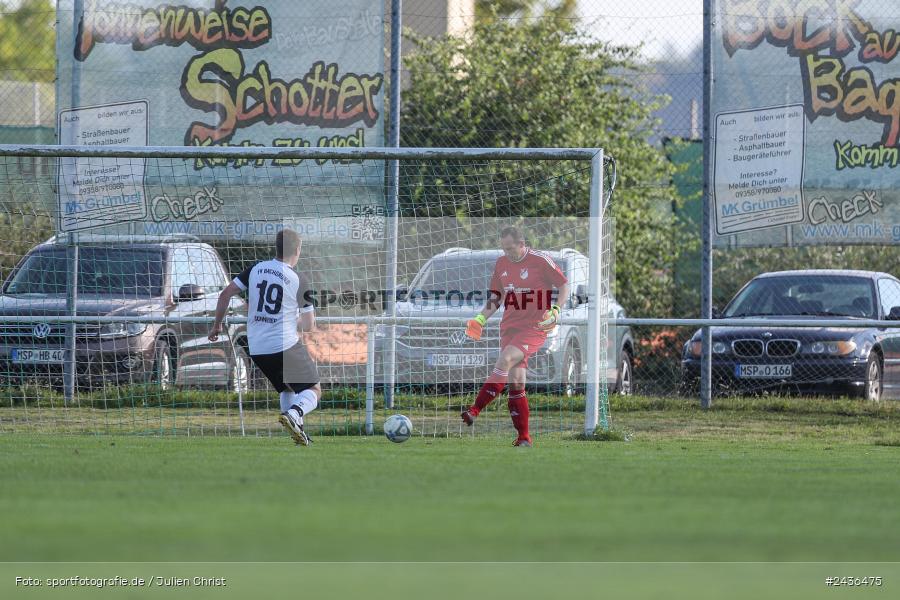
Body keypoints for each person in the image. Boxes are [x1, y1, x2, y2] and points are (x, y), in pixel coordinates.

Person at [208, 229, 319, 446]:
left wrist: (217, 325)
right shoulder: (299, 279)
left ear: (276, 248)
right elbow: (309, 326)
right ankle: (294, 415)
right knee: (313, 389)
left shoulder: (256, 269)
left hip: (257, 348)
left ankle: (298, 434)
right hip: (284, 344)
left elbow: (225, 294)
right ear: (297, 250)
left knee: (287, 387)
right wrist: (289, 319)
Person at [461, 227, 569, 446]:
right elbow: (497, 297)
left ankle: (474, 410)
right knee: (517, 382)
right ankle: (523, 437)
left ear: (522, 244)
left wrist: (556, 310)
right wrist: (480, 319)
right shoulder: (501, 263)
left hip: (535, 327)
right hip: (509, 327)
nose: (507, 252)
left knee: (505, 359)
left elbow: (564, 284)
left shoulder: (540, 260)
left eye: (510, 248)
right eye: (504, 248)